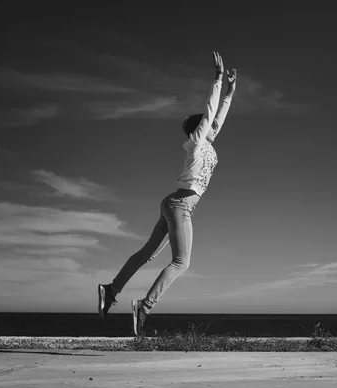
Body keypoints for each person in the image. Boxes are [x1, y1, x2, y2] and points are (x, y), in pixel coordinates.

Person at [97, 51, 237, 335]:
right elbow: (210, 112)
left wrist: (230, 93)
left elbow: (217, 119)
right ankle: (144, 307)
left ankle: (111, 290)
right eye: (205, 125)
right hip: (180, 206)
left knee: (148, 253)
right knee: (181, 262)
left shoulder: (207, 143)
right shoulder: (197, 143)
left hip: (174, 204)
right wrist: (218, 79)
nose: (211, 127)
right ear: (198, 130)